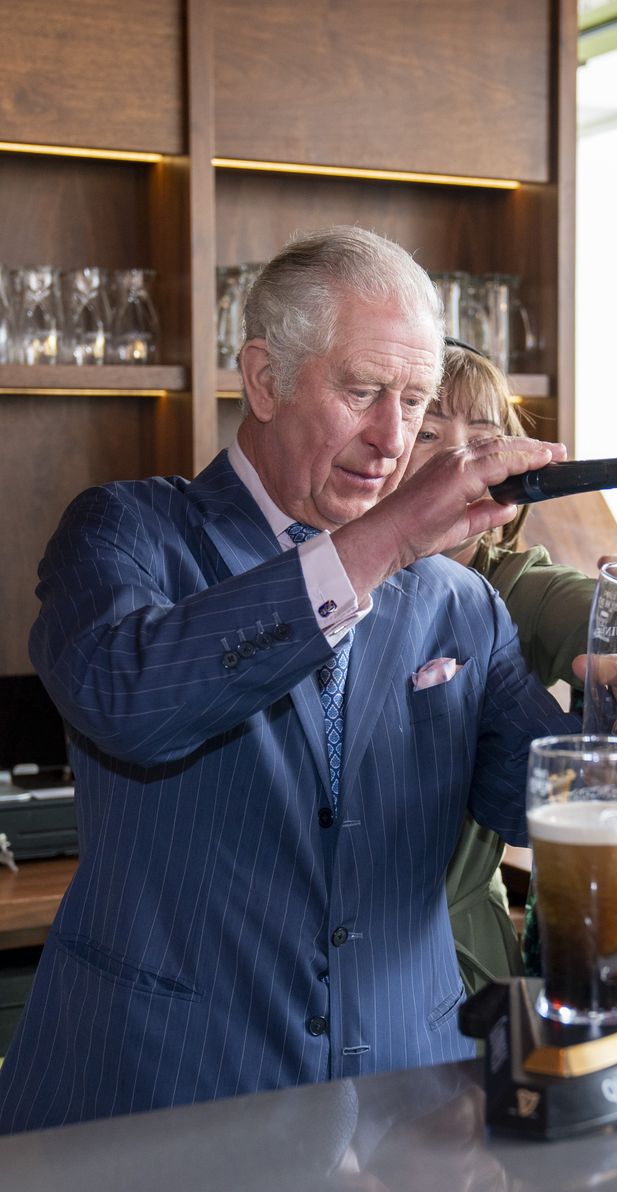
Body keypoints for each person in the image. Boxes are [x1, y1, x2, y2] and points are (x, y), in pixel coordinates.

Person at [0, 227, 580, 1135]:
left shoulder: (460, 604)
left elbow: (537, 799)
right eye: (363, 393)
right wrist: (384, 542)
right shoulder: (126, 533)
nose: (396, 438)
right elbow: (130, 702)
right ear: (264, 380)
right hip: (161, 1104)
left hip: (409, 1106)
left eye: (416, 399)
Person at [406, 342, 617, 991]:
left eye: (485, 438)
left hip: (460, 966)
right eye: (428, 432)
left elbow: (607, 613)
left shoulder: (512, 585)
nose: (464, 459)